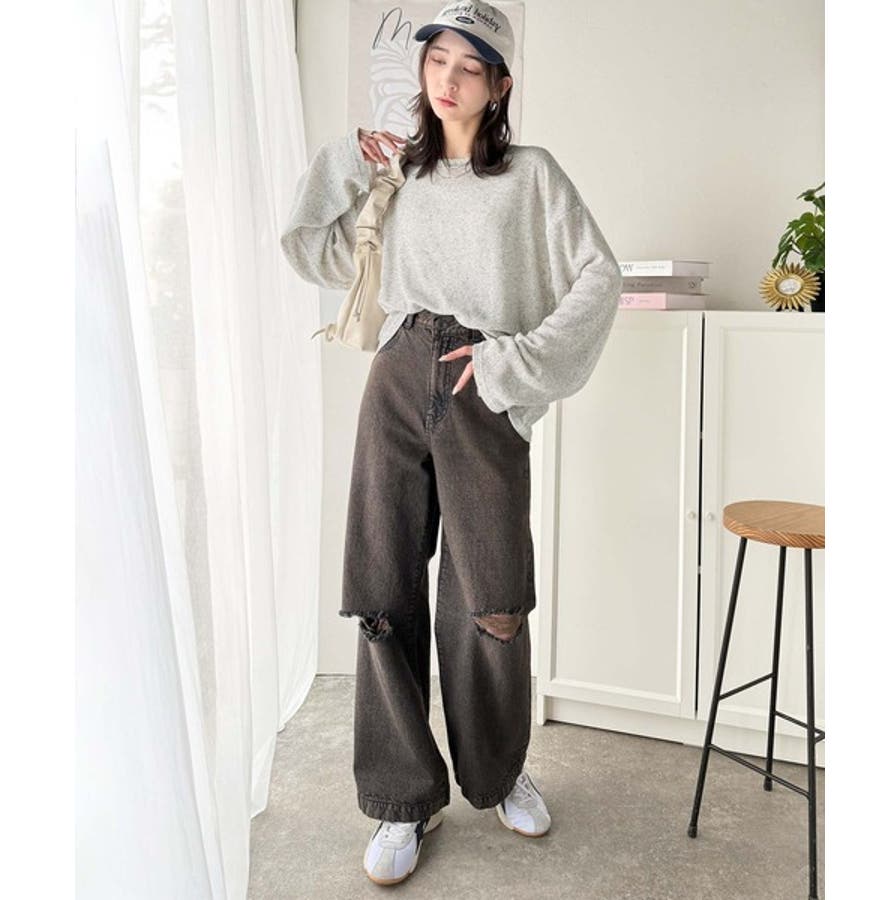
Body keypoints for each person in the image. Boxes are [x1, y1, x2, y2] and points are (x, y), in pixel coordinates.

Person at [279, 0, 623, 886]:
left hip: (481, 383)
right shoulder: (397, 177)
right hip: (398, 373)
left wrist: (514, 363)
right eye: (437, 59)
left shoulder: (532, 177)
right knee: (380, 591)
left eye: (471, 66)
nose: (449, 78)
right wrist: (346, 164)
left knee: (492, 598)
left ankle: (499, 774)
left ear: (499, 85)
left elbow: (600, 277)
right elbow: (310, 250)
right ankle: (401, 799)